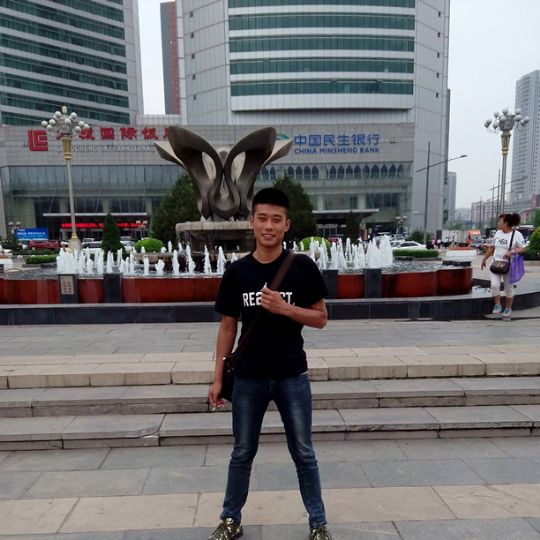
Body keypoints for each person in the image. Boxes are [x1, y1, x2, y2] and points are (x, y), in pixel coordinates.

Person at [207, 187, 332, 540]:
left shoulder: (302, 267)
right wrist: (217, 378)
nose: (268, 226)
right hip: (249, 377)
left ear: (286, 225)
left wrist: (285, 308)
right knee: (242, 452)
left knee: (304, 453)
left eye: (276, 220)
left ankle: (318, 524)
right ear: (251, 222)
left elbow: (321, 318)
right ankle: (230, 520)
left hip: (292, 374)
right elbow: (227, 327)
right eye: (262, 218)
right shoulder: (238, 272)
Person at [481, 213, 526, 320]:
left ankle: (508, 308)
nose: (498, 223)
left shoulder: (517, 234)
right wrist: (484, 259)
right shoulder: (498, 233)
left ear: (506, 223)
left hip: (509, 266)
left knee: (508, 288)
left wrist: (512, 252)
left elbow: (523, 248)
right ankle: (498, 304)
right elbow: (492, 248)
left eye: (500, 221)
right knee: (494, 285)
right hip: (495, 264)